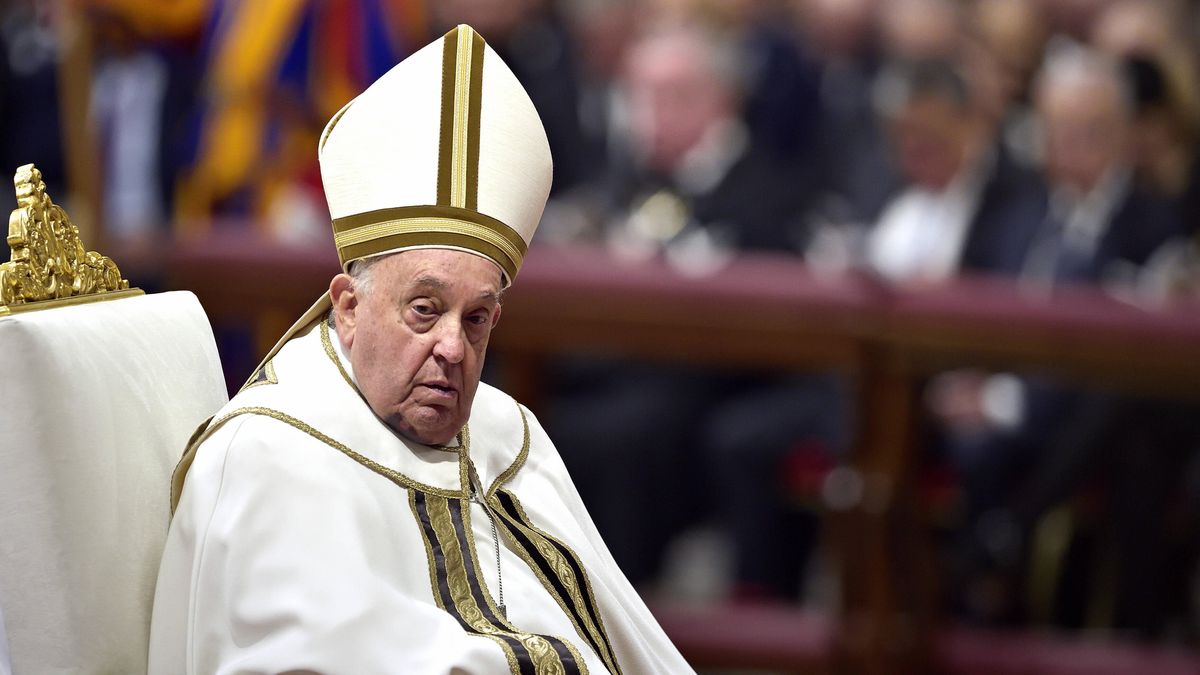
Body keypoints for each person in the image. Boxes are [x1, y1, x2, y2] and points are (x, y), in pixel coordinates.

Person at [148, 25, 692, 674]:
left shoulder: (503, 431)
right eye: (425, 310)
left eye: (478, 318)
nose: (452, 348)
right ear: (349, 307)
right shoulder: (269, 457)